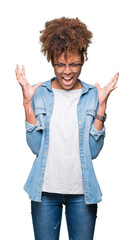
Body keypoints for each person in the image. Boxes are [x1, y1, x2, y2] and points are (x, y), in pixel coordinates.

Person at [15, 17, 119, 240]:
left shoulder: (93, 95)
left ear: (83, 61)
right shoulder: (40, 92)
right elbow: (35, 147)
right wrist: (27, 104)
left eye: (73, 64)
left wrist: (101, 106)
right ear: (51, 61)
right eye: (60, 64)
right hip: (44, 193)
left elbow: (93, 152)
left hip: (82, 194)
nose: (67, 72)